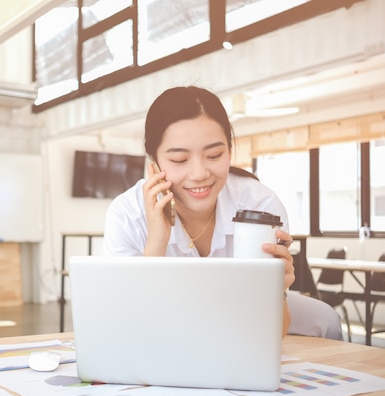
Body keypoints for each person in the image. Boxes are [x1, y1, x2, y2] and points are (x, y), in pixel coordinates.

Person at [103, 85, 343, 340]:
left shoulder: (259, 205)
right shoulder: (127, 214)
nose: (199, 174)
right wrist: (155, 245)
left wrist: (277, 290)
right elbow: (128, 324)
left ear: (230, 151)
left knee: (325, 319)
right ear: (154, 163)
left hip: (241, 310)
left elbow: (270, 331)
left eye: (214, 155)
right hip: (164, 312)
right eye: (179, 160)